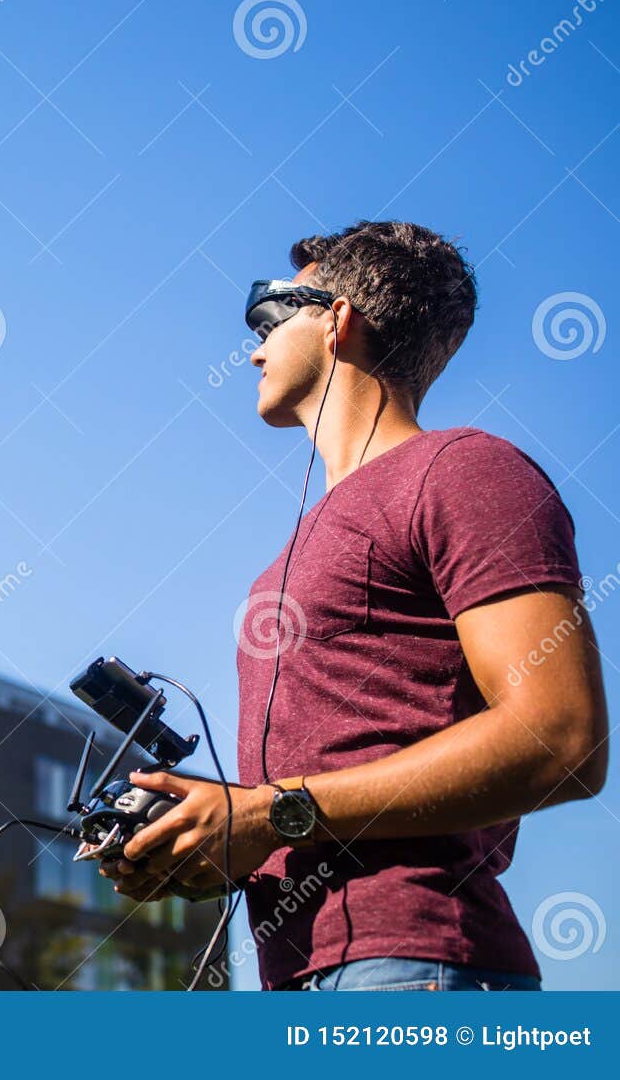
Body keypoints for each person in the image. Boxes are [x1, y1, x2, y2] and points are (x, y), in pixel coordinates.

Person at [101, 221, 608, 991]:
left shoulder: (466, 471)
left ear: (339, 319)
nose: (254, 348)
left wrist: (271, 814)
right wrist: (209, 843)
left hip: (414, 968)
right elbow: (323, 790)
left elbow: (563, 737)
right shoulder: (292, 549)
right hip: (302, 977)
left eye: (271, 317)